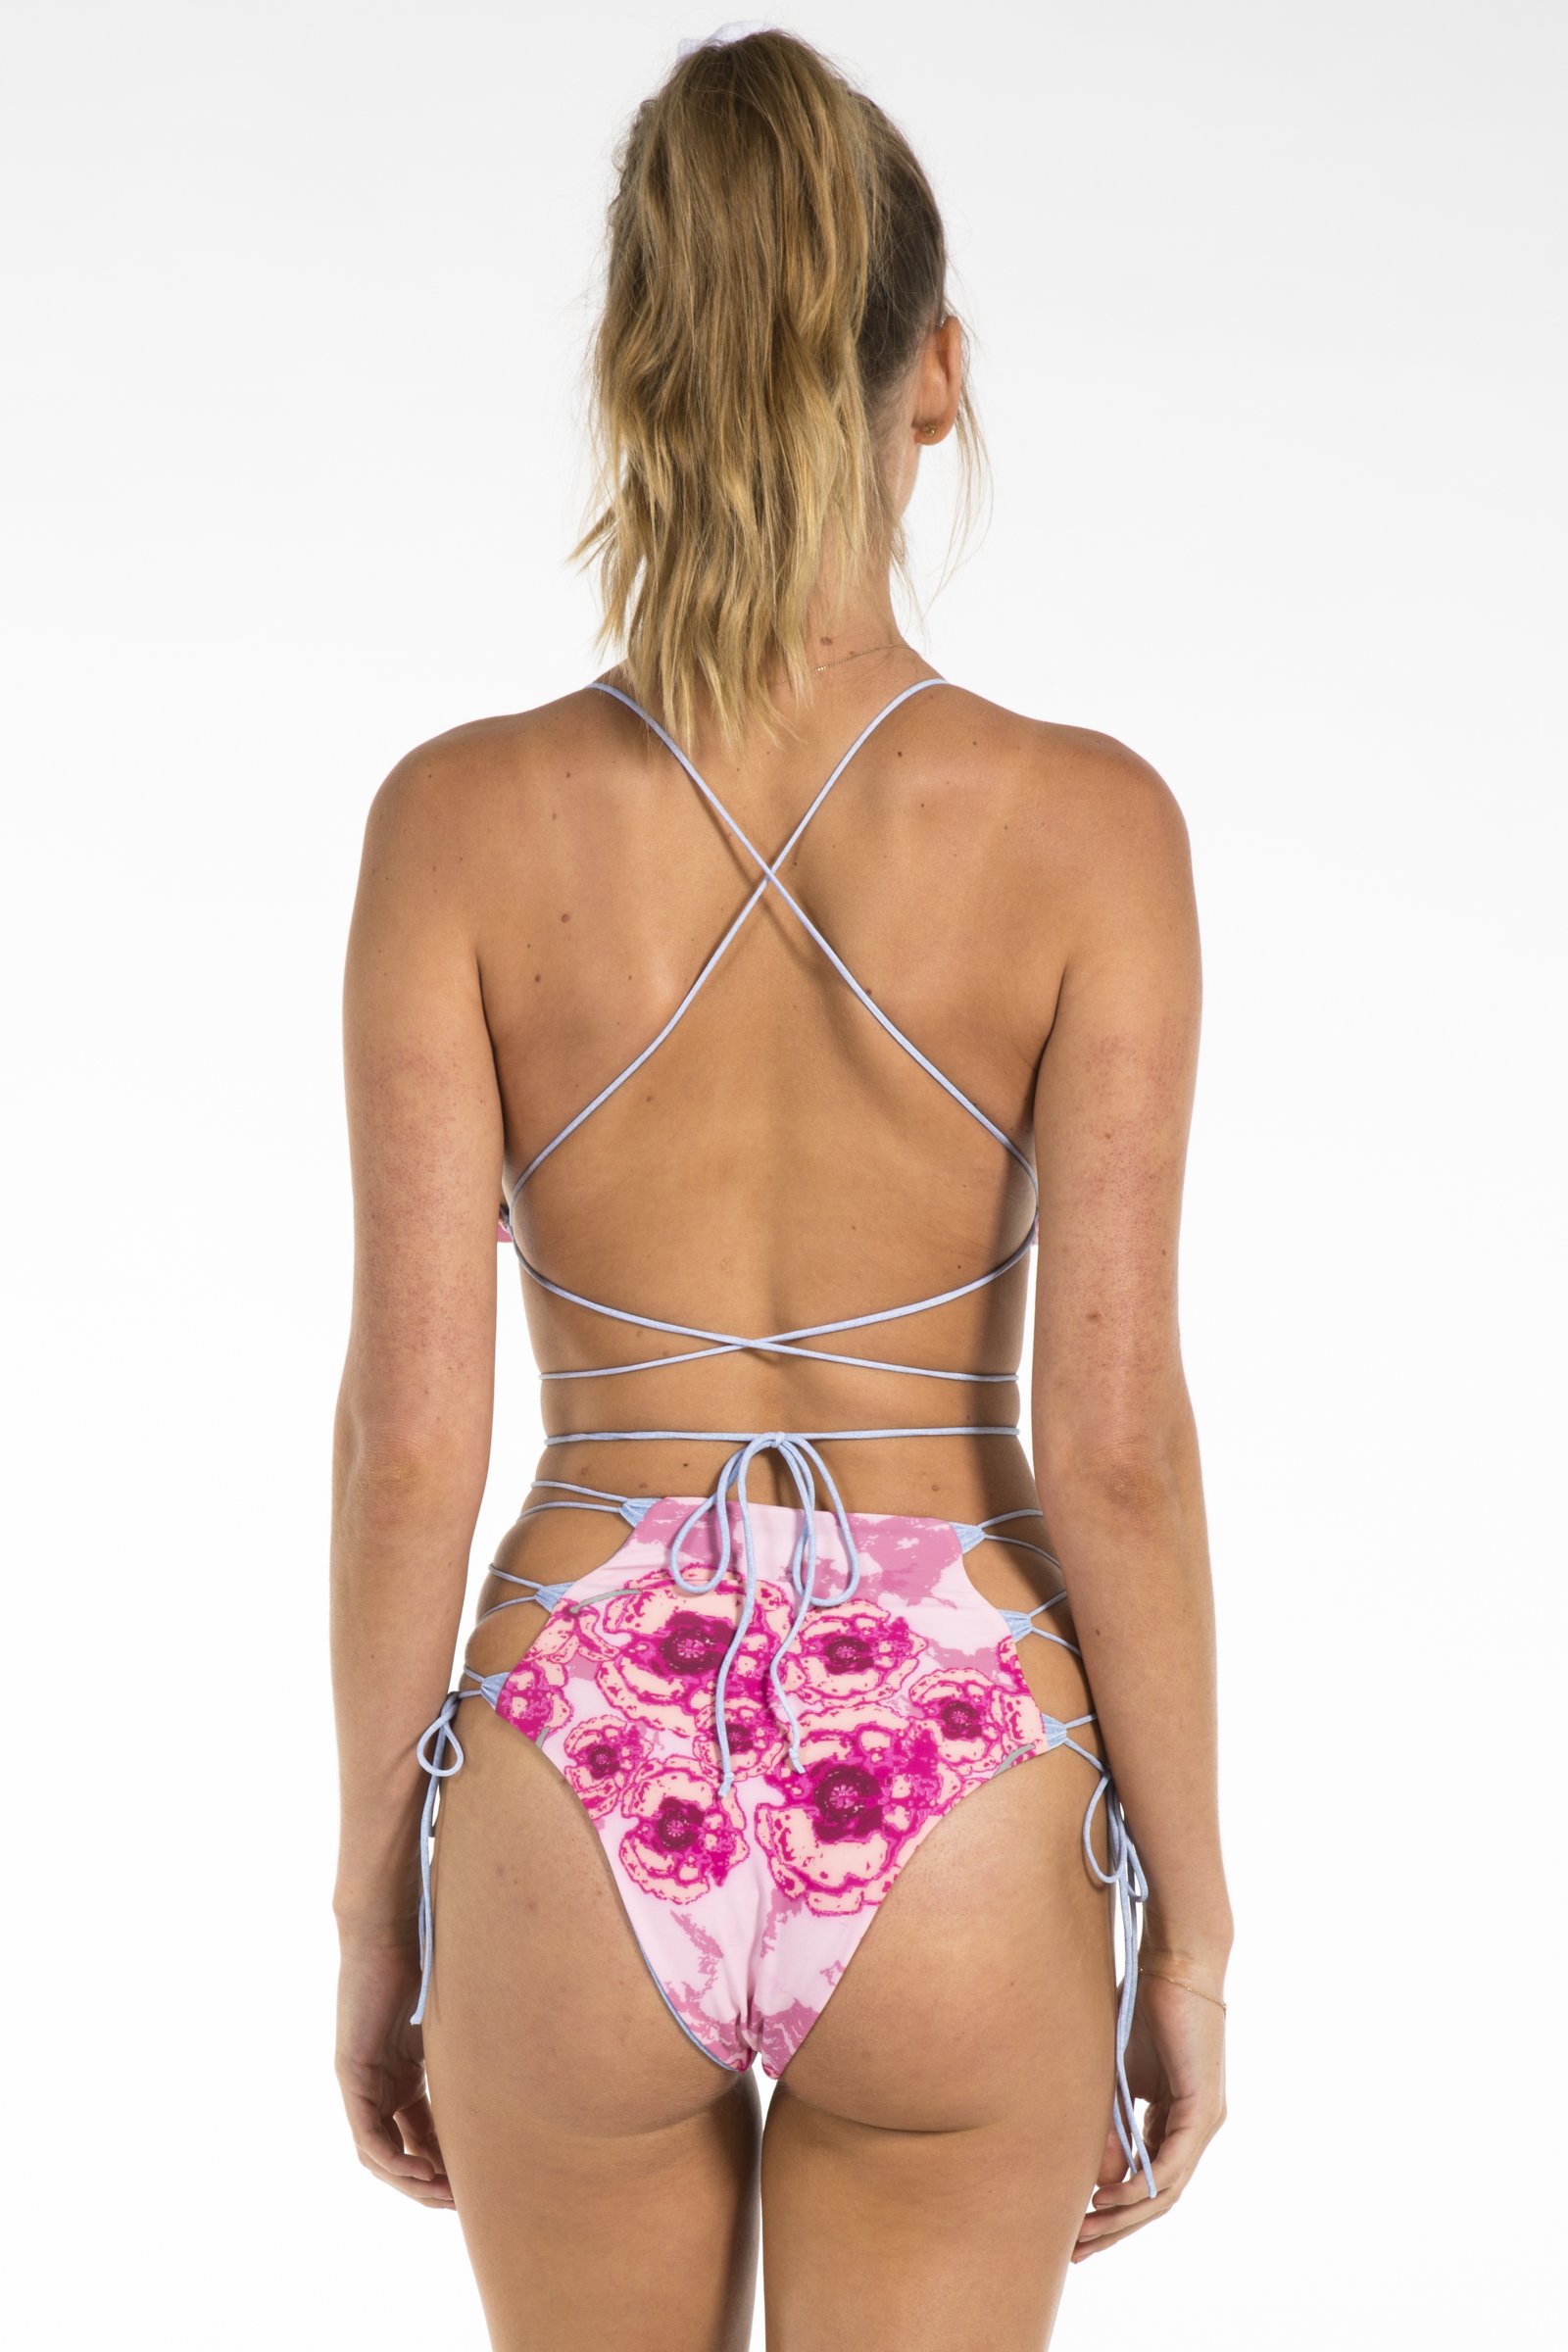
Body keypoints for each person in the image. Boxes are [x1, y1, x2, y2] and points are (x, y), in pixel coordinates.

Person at [330, 24, 1230, 2349]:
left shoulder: (456, 822)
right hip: (955, 1756)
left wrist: (371, 1904)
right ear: (932, 376)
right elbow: (1113, 1450)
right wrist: (1194, 1928)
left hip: (572, 1735)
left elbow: (412, 1434)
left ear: (632, 365)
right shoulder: (1088, 829)